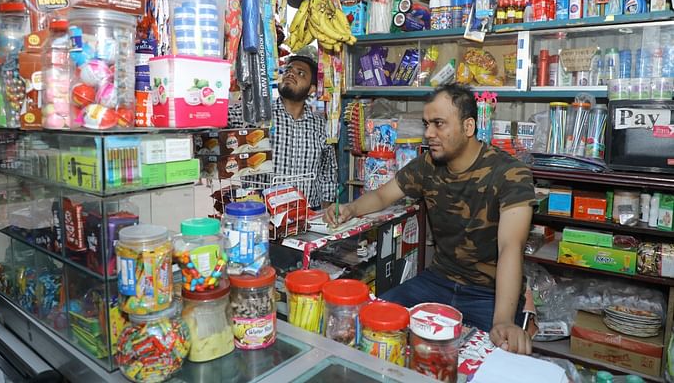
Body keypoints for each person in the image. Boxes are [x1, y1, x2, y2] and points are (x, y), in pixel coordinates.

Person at [325, 83, 535, 354]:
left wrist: (503, 320)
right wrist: (350, 209)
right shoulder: (427, 165)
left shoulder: (511, 173)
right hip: (438, 281)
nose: (428, 133)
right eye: (426, 124)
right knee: (372, 324)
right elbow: (383, 196)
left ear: (468, 127)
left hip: (489, 292)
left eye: (439, 124)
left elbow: (510, 247)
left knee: (493, 355)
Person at [228, 50, 338, 210]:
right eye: (287, 70)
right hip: (262, 213)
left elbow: (328, 170)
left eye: (300, 73)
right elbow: (223, 118)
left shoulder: (321, 125)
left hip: (306, 213)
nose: (290, 74)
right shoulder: (257, 113)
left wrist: (325, 210)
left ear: (312, 89)